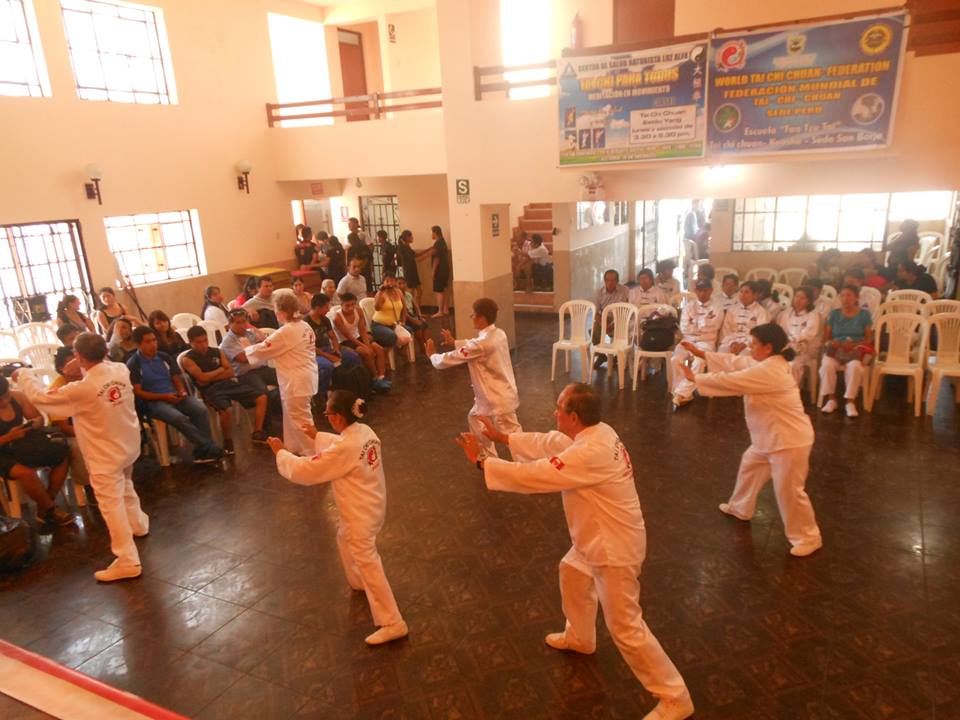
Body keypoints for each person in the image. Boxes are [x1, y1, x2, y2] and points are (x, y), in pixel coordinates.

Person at [455, 384, 693, 720]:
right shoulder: (597, 432)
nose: (555, 413)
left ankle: (675, 697)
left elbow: (537, 475)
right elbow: (552, 442)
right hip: (596, 538)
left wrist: (483, 461)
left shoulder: (588, 453)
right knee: (572, 572)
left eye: (559, 409)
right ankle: (580, 636)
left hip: (614, 549)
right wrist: (504, 438)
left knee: (625, 626)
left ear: (575, 417)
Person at [270, 390, 407, 645]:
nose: (327, 417)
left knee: (368, 560)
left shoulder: (346, 447)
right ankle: (358, 582)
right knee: (343, 538)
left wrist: (281, 453)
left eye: (328, 414)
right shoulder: (365, 431)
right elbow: (343, 445)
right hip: (373, 505)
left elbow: (308, 470)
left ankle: (393, 622)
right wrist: (317, 436)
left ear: (339, 417)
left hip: (360, 515)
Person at [680, 323, 822, 558]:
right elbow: (737, 363)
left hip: (788, 441)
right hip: (769, 438)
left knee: (789, 491)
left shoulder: (770, 371)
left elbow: (732, 380)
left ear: (768, 347)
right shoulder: (767, 363)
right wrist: (701, 353)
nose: (750, 346)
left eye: (754, 343)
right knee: (750, 466)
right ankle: (740, 507)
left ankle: (808, 537)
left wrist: (697, 378)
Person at [15, 333, 150, 582]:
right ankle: (139, 524)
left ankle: (127, 560)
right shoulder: (119, 370)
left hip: (105, 455)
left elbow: (42, 399)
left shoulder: (83, 389)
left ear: (78, 357)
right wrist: (82, 362)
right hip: (128, 445)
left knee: (110, 504)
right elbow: (98, 366)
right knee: (126, 485)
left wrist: (24, 375)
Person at [426, 297, 520, 457]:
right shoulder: (498, 334)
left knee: (514, 438)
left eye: (473, 315)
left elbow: (453, 358)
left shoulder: (481, 344)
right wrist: (455, 341)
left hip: (497, 399)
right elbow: (475, 344)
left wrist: (433, 356)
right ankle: (489, 459)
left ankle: (528, 469)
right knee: (475, 418)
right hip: (496, 395)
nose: (472, 317)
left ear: (481, 318)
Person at [127, 325, 224, 463]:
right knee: (178, 418)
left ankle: (203, 451)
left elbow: (176, 378)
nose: (153, 344)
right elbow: (139, 392)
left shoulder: (163, 357)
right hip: (153, 402)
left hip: (174, 395)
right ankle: (209, 447)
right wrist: (164, 397)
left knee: (200, 409)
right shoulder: (133, 364)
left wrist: (181, 391)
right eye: (148, 342)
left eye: (154, 340)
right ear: (138, 344)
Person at [244, 290, 318, 456]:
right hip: (305, 375)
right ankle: (294, 448)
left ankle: (313, 453)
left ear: (282, 312)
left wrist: (245, 348)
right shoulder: (304, 326)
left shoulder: (287, 331)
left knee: (301, 419)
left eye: (276, 311)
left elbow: (263, 349)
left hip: (296, 380)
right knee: (292, 416)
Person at [181, 325, 270, 452]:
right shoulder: (187, 359)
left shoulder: (217, 351)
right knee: (227, 409)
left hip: (228, 383)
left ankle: (257, 432)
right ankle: (228, 440)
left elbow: (231, 372)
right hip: (210, 390)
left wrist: (211, 375)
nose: (203, 345)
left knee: (261, 396)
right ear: (190, 342)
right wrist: (220, 370)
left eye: (205, 340)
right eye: (199, 342)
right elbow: (202, 379)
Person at [0, 375, 72, 526]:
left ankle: (45, 504)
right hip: (3, 452)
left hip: (20, 445)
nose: (4, 402)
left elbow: (39, 419)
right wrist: (8, 437)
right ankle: (51, 508)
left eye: (6, 397)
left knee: (62, 454)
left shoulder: (17, 397)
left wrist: (30, 426)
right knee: (26, 472)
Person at [820, 285, 873, 417]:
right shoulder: (834, 314)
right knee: (827, 365)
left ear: (856, 297)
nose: (845, 298)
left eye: (849, 295)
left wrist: (854, 344)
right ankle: (831, 399)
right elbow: (826, 338)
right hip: (836, 349)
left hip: (855, 350)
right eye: (842, 295)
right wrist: (834, 343)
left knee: (855, 367)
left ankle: (850, 401)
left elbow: (868, 339)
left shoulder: (864, 314)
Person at [669, 278, 723, 408]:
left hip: (706, 341)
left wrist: (695, 322)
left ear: (711, 291)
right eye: (700, 290)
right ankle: (683, 392)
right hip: (688, 340)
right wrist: (704, 322)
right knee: (675, 359)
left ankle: (682, 393)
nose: (702, 293)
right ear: (695, 291)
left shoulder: (717, 306)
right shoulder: (689, 305)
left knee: (699, 362)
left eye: (705, 290)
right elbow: (684, 328)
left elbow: (714, 326)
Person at [305, 293, 362, 400]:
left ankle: (355, 389)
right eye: (326, 307)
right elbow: (310, 347)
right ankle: (321, 395)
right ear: (318, 308)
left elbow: (333, 337)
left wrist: (336, 349)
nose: (328, 309)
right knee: (327, 366)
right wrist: (328, 356)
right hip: (314, 354)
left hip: (327, 349)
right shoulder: (306, 323)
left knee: (353, 356)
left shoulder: (324, 319)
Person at [332, 293, 390, 392]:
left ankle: (381, 376)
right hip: (346, 341)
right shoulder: (337, 318)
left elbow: (362, 330)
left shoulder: (358, 311)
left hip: (358, 337)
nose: (351, 308)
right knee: (367, 353)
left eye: (353, 304)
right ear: (341, 305)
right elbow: (348, 336)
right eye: (347, 305)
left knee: (378, 349)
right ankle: (374, 378)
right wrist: (365, 347)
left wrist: (367, 344)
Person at [219, 309, 279, 398]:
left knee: (287, 379)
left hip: (262, 368)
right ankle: (270, 410)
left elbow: (268, 348)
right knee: (262, 392)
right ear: (230, 324)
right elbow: (244, 359)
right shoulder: (228, 341)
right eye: (238, 323)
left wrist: (259, 345)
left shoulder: (251, 334)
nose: (242, 325)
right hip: (246, 374)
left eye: (244, 321)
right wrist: (260, 349)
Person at [778, 286, 821, 388]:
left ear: (809, 301)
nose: (798, 300)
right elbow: (781, 332)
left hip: (805, 348)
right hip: (787, 346)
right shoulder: (786, 313)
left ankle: (791, 393)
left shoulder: (813, 315)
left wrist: (795, 347)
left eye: (803, 298)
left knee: (794, 365)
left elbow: (808, 336)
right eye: (797, 296)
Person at [718, 281, 768, 355]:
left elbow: (760, 334)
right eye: (741, 292)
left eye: (746, 292)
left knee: (744, 356)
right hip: (731, 342)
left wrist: (744, 344)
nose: (742, 295)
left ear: (755, 295)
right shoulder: (732, 309)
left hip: (750, 344)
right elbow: (726, 330)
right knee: (721, 353)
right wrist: (732, 343)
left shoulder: (761, 312)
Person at [592, 269, 630, 364]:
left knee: (625, 329)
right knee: (594, 329)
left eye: (613, 280)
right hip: (606, 318)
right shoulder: (599, 292)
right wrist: (604, 324)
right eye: (607, 280)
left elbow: (629, 309)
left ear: (617, 281)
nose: (610, 283)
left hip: (621, 318)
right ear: (604, 281)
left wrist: (614, 324)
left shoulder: (625, 291)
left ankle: (617, 355)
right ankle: (601, 355)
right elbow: (595, 312)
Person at [370, 273, 412, 352]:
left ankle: (401, 353)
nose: (390, 283)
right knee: (391, 336)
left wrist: (403, 321)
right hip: (379, 325)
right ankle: (386, 356)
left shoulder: (399, 292)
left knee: (409, 330)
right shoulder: (381, 294)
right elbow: (377, 308)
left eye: (392, 281)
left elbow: (404, 309)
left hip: (394, 325)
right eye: (387, 281)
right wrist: (380, 292)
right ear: (383, 283)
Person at [417, 225, 450, 318]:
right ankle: (445, 309)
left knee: (439, 291)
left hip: (440, 271)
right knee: (444, 289)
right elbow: (430, 250)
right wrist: (420, 256)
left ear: (435, 232)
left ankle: (440, 311)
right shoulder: (441, 242)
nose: (431, 234)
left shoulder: (438, 243)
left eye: (432, 232)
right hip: (445, 270)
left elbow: (436, 258)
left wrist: (433, 271)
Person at [397, 276, 429, 354]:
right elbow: (404, 312)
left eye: (403, 283)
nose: (402, 286)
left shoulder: (408, 295)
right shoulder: (397, 297)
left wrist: (420, 316)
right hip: (404, 319)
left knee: (425, 325)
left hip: (412, 316)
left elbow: (416, 306)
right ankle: (423, 348)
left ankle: (427, 346)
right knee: (418, 329)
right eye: (399, 284)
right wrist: (414, 321)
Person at [397, 230, 421, 305]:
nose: (412, 238)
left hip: (413, 271)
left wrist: (429, 250)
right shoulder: (402, 247)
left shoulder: (407, 246)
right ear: (407, 237)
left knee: (419, 291)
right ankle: (411, 310)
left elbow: (416, 255)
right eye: (411, 236)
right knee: (411, 292)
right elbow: (414, 258)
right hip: (409, 271)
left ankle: (417, 309)